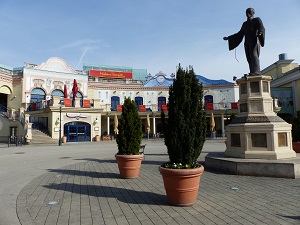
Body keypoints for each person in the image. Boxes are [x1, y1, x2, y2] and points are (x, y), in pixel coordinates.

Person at [223, 8, 265, 75]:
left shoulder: (257, 20)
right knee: (248, 57)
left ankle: (256, 71)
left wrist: (260, 33)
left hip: (254, 40)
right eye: (246, 12)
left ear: (253, 13)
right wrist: (229, 38)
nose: (247, 13)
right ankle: (252, 71)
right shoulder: (245, 24)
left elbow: (261, 28)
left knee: (254, 55)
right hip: (247, 43)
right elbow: (239, 34)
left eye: (249, 12)